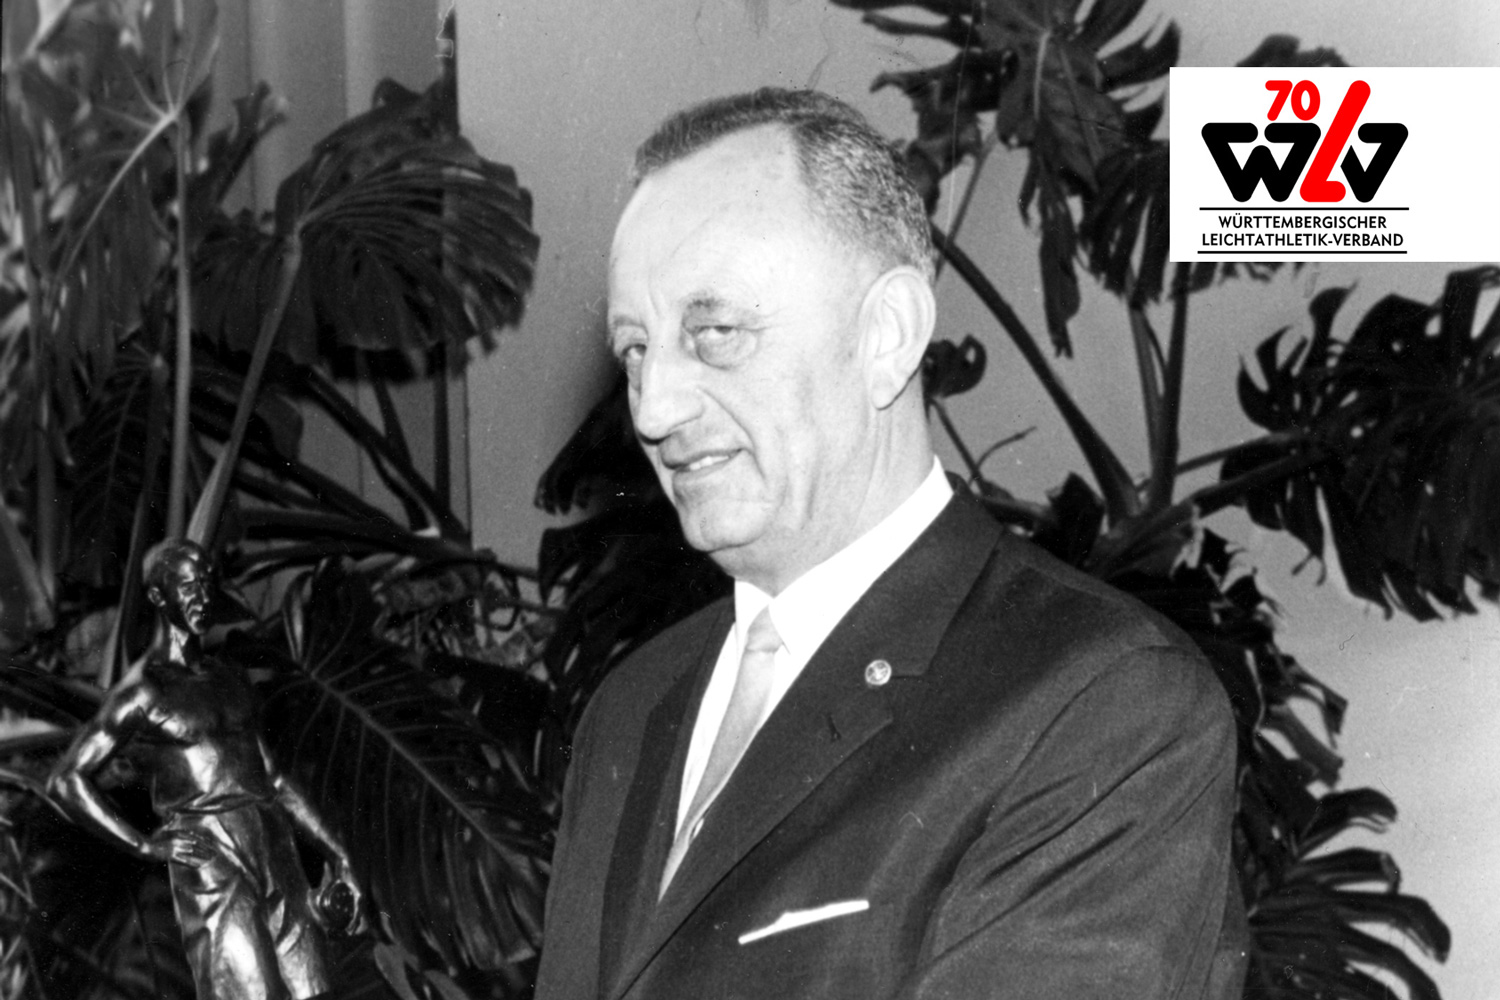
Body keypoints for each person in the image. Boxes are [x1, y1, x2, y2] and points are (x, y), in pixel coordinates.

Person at [535, 89, 1246, 1000]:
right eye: (636, 351)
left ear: (888, 333)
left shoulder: (1101, 702)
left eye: (714, 335)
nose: (654, 408)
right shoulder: (631, 708)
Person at [48, 539, 361, 1000]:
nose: (202, 598)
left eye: (206, 585)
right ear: (159, 597)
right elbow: (65, 780)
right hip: (211, 854)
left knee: (314, 988)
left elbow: (274, 777)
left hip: (273, 843)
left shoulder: (229, 677)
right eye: (188, 587)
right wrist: (142, 844)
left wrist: (338, 851)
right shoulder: (143, 691)